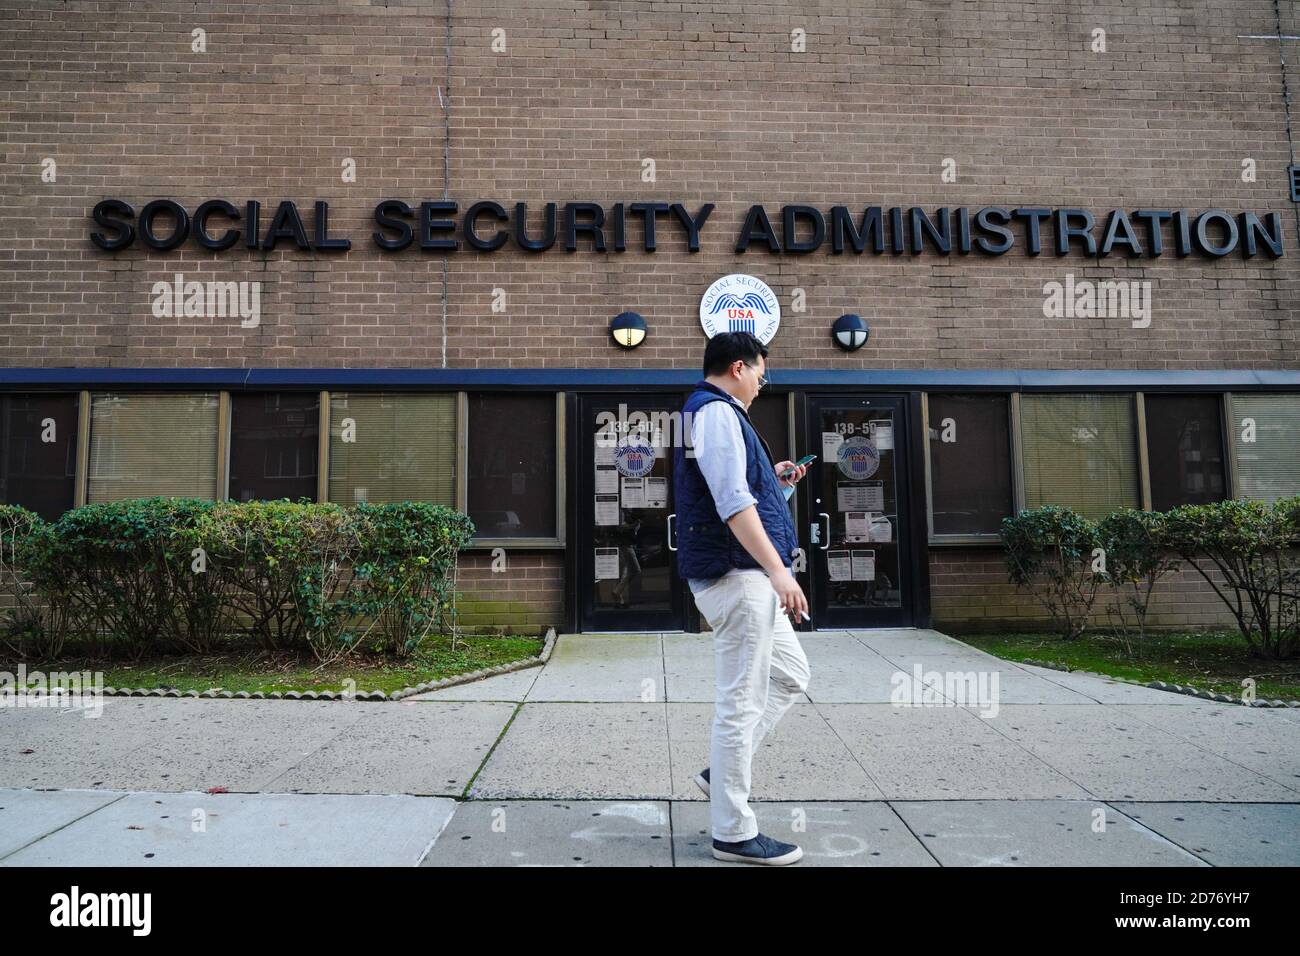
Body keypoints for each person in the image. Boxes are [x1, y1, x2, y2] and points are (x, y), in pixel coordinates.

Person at [670, 330, 812, 865]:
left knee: (791, 675)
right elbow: (731, 502)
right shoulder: (715, 412)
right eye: (759, 373)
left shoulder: (717, 415)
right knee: (740, 702)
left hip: (744, 573)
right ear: (737, 367)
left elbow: (740, 491)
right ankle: (732, 832)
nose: (761, 383)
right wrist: (780, 572)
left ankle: (721, 772)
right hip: (739, 577)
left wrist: (778, 484)